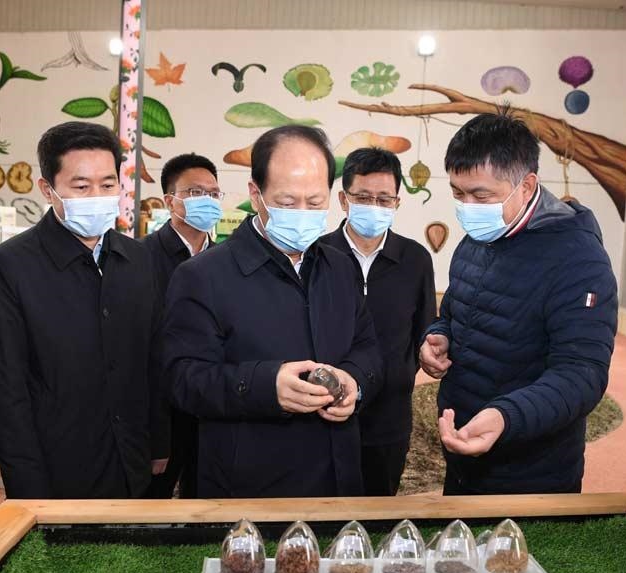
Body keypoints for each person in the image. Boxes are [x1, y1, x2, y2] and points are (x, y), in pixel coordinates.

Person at [162, 125, 383, 498]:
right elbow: (182, 379)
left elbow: (368, 347)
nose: (303, 214)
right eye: (287, 202)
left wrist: (354, 382)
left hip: (338, 479)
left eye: (315, 202)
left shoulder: (340, 267)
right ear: (256, 194)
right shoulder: (203, 275)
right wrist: (266, 386)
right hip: (251, 488)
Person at [421, 110, 617, 495]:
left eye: (481, 195)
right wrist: (438, 336)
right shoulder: (476, 240)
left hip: (531, 469)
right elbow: (455, 311)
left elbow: (582, 374)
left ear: (526, 186)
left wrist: (506, 417)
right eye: (458, 193)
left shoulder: (579, 260)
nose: (467, 206)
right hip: (462, 449)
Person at [0, 121, 166, 499]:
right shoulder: (8, 267)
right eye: (81, 186)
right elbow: (3, 389)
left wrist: (160, 442)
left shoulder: (139, 259)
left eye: (107, 185)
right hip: (59, 467)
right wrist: (26, 486)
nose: (97, 196)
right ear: (48, 189)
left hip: (134, 458)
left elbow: (155, 359)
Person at [319, 148, 435, 496]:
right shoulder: (318, 255)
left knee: (379, 510)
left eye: (384, 199)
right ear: (344, 199)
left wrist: (400, 375)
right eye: (363, 197)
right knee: (322, 509)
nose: (374, 206)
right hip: (324, 413)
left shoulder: (415, 259)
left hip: (389, 418)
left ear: (397, 202)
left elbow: (424, 332)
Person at [143, 153, 222, 498]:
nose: (207, 200)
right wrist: (155, 434)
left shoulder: (226, 261)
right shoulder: (140, 258)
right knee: (151, 504)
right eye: (195, 193)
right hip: (162, 410)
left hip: (212, 406)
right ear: (169, 201)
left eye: (213, 193)